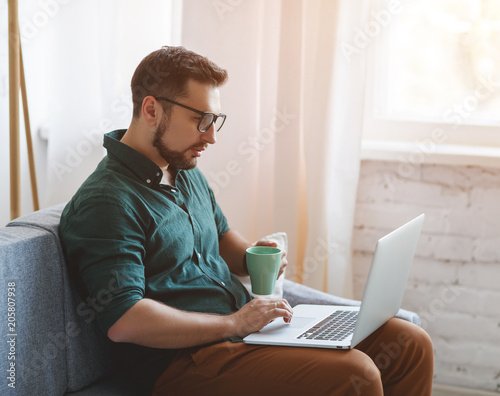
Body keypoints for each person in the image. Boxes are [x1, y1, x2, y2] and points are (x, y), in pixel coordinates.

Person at [60, 46, 434, 396]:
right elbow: (125, 319)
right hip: (184, 362)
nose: (210, 137)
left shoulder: (183, 168)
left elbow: (224, 241)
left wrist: (257, 253)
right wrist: (235, 323)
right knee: (360, 373)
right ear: (152, 109)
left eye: (215, 120)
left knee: (409, 343)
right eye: (200, 120)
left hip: (244, 337)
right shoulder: (107, 201)